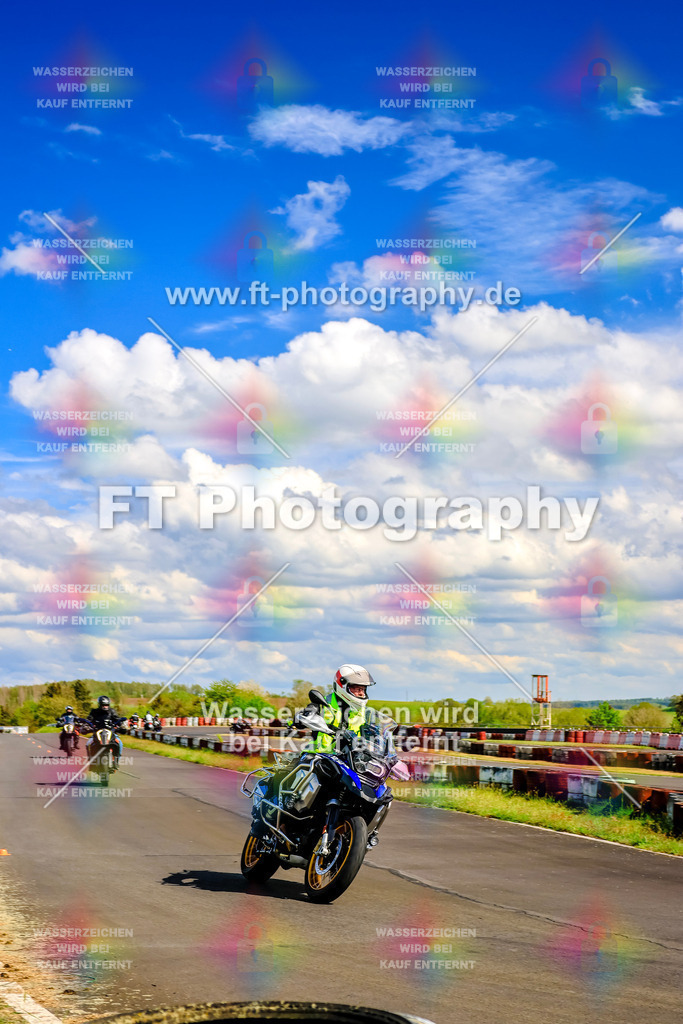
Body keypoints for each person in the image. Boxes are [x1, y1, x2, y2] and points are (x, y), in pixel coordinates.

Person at [83, 695, 126, 767]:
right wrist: (86, 726)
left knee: (120, 743)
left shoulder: (112, 711)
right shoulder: (94, 712)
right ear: (99, 705)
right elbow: (89, 719)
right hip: (97, 733)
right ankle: (91, 762)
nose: (105, 707)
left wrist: (121, 726)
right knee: (88, 744)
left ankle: (116, 761)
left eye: (106, 705)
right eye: (103, 705)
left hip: (110, 732)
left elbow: (117, 719)